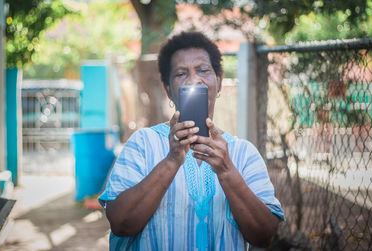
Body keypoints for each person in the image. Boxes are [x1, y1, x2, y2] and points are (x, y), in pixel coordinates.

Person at [99, 31, 284, 250]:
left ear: (219, 81)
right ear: (169, 90)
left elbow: (264, 236)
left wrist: (227, 172)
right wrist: (171, 160)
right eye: (180, 74)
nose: (193, 79)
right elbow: (121, 224)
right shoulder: (143, 143)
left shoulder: (244, 153)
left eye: (203, 70)